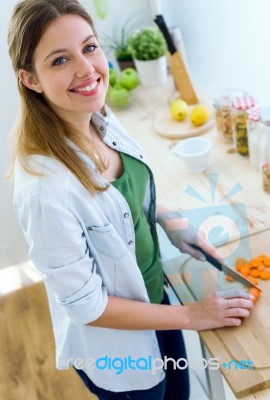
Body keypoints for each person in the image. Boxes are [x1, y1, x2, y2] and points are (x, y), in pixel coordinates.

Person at [7, 1, 254, 399]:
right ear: (30, 79)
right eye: (59, 60)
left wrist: (171, 222)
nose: (87, 70)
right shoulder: (43, 189)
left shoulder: (95, 114)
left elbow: (128, 197)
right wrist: (193, 314)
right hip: (117, 349)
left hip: (157, 298)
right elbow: (87, 305)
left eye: (89, 48)